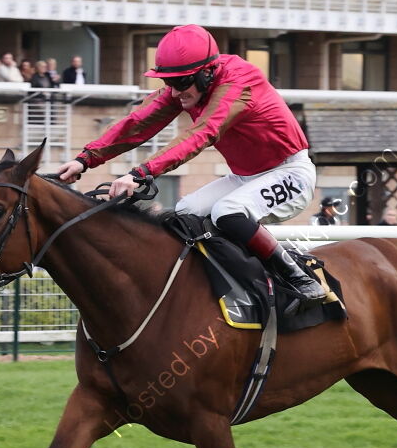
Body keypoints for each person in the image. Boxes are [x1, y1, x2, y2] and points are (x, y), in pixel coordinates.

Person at [56, 24, 326, 305]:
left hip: (290, 173)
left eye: (181, 83)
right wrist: (84, 160)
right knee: (185, 214)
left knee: (227, 211)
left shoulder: (239, 80)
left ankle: (300, 278)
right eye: (168, 83)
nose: (174, 93)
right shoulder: (190, 85)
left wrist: (141, 173)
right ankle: (228, 289)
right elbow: (137, 123)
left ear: (207, 72)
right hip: (246, 177)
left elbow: (202, 133)